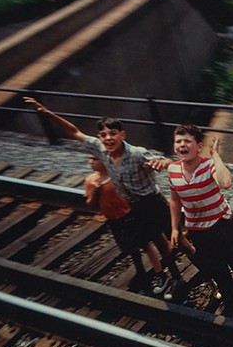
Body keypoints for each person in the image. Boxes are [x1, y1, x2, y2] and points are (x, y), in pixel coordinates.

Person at [21, 96, 172, 289]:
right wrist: (47, 113)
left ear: (122, 135)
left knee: (173, 238)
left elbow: (165, 161)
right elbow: (74, 132)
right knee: (152, 240)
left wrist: (162, 163)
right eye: (104, 135)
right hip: (132, 208)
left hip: (152, 200)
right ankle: (166, 273)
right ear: (100, 138)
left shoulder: (136, 153)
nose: (108, 138)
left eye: (113, 133)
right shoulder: (100, 149)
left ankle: (176, 271)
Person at [155, 123, 233, 315]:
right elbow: (175, 200)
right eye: (178, 141)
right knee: (219, 272)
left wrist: (216, 155)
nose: (182, 145)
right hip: (199, 232)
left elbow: (226, 182)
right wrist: (175, 229)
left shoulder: (208, 165)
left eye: (187, 141)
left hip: (222, 225)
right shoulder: (173, 171)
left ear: (199, 146)